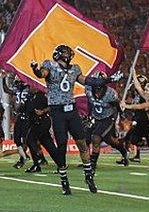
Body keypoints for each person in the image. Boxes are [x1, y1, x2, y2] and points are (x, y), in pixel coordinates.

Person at [30, 45, 116, 194]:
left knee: (82, 143)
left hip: (71, 110)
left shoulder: (75, 69)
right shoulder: (49, 65)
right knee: (62, 145)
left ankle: (89, 176)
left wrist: (108, 79)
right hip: (57, 111)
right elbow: (41, 74)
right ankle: (64, 180)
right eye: (65, 53)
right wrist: (35, 69)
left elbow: (89, 81)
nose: (68, 55)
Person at [83, 72, 127, 169]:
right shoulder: (88, 90)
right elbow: (90, 102)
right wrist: (89, 115)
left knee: (96, 138)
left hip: (108, 118)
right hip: (96, 117)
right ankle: (123, 151)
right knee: (89, 139)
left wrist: (121, 114)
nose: (97, 87)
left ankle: (92, 164)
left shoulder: (110, 93)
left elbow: (116, 105)